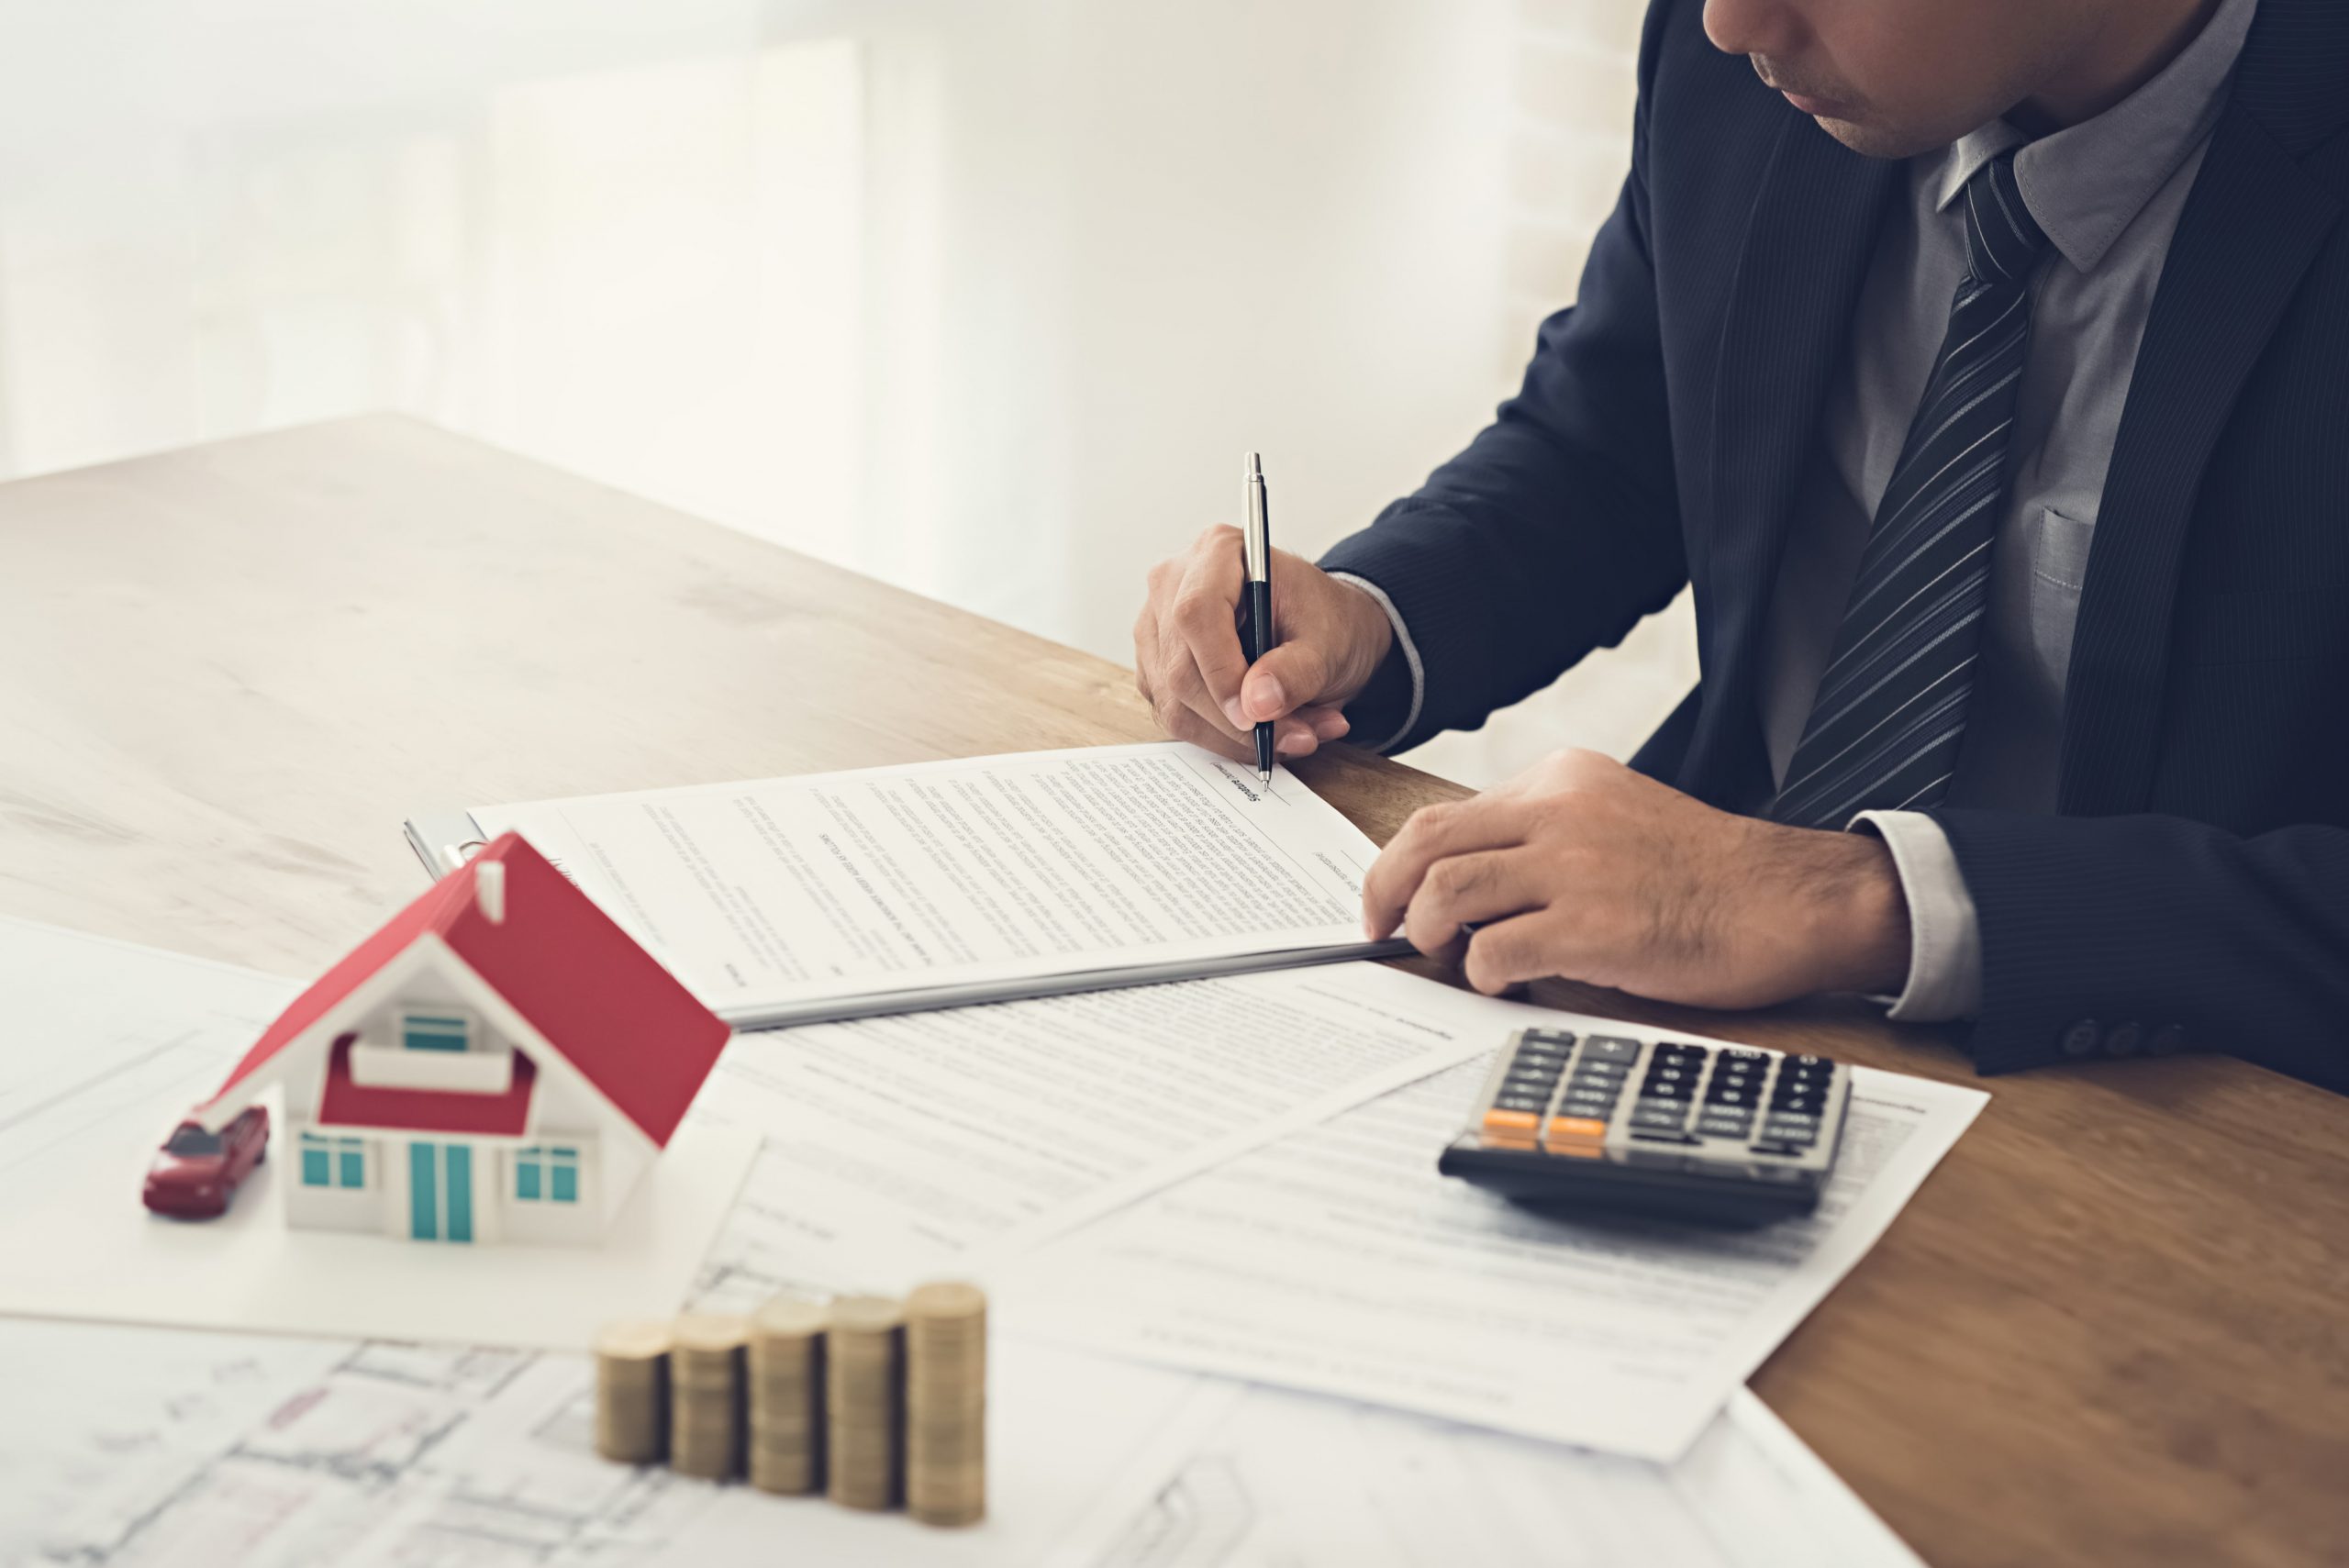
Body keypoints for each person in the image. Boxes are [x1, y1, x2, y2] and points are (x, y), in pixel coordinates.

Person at [1131, 0, 2349, 1091]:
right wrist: (1367, 613)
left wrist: (1858, 901)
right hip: (1685, 1012)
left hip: (2185, 1104)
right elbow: (1616, 443)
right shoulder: (1747, 61)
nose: (1726, 21)